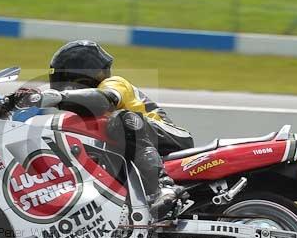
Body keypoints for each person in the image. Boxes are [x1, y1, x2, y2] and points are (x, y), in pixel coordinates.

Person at [14, 40, 194, 219]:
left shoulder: (115, 83)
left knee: (122, 119)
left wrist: (54, 97)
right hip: (141, 144)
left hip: (172, 137)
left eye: (64, 81)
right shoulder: (88, 113)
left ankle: (162, 187)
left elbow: (104, 99)